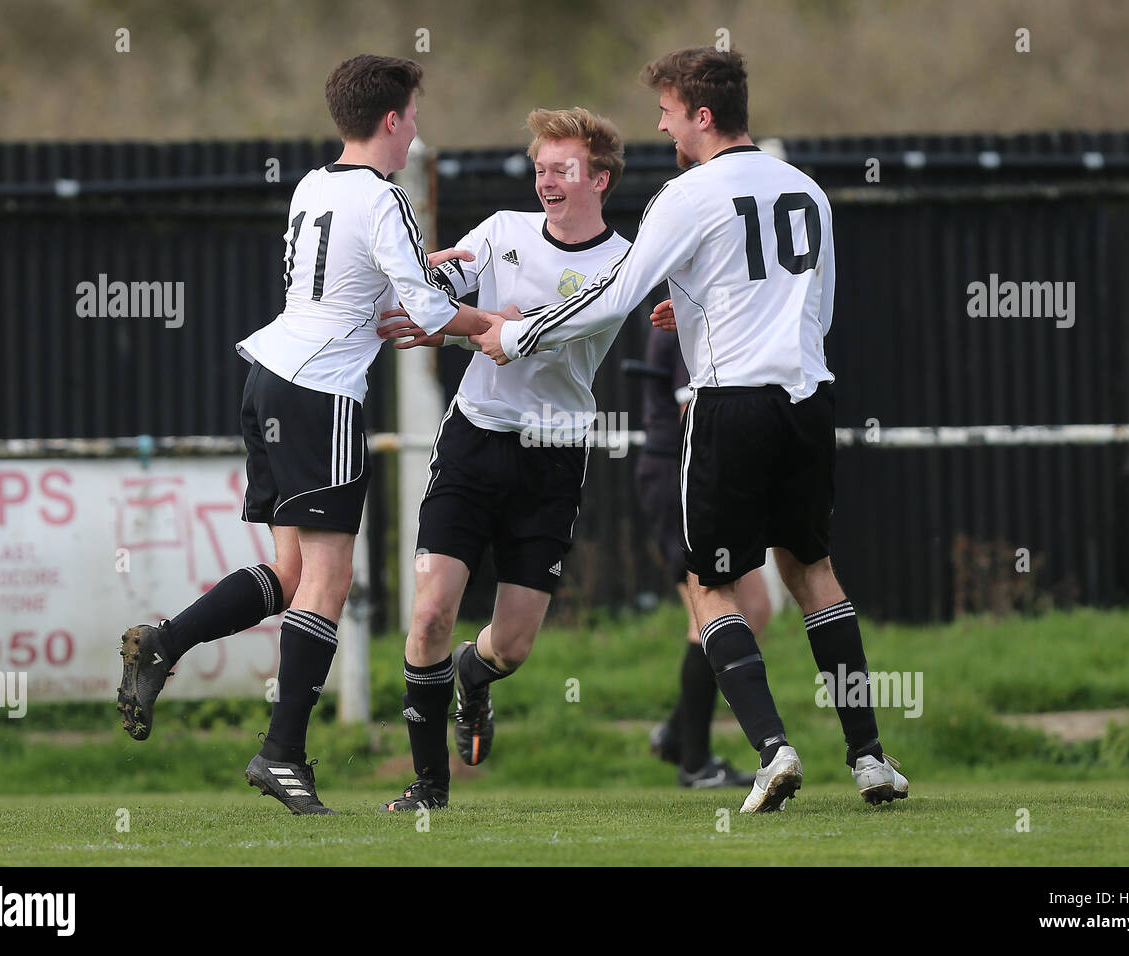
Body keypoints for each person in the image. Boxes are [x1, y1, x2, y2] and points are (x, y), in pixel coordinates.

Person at [474, 47, 909, 811]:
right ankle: (870, 756)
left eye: (669, 111)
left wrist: (514, 335)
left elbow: (613, 296)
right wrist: (708, 303)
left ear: (702, 117)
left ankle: (772, 751)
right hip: (807, 397)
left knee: (709, 587)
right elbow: (816, 307)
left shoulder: (685, 193)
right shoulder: (806, 188)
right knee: (813, 571)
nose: (662, 124)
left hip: (728, 405)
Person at [115, 54, 498, 815]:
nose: (417, 125)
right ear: (393, 120)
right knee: (327, 582)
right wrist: (488, 326)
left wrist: (426, 271)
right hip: (321, 390)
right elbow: (418, 311)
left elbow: (352, 278)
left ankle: (166, 643)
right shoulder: (386, 197)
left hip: (269, 375)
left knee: (292, 575)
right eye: (414, 114)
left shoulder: (313, 184)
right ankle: (282, 753)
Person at [373, 107, 633, 811]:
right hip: (474, 437)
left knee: (510, 647)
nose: (547, 181)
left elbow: (541, 335)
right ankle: (429, 787)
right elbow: (442, 299)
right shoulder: (499, 232)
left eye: (563, 169)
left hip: (553, 452)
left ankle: (474, 678)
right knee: (429, 613)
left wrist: (463, 329)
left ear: (599, 179)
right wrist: (425, 285)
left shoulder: (622, 265)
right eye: (541, 168)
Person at [632, 327, 768, 788]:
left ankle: (677, 733)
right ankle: (694, 763)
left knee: (755, 610)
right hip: (679, 473)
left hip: (711, 476)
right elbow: (696, 410)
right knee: (706, 615)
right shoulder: (685, 317)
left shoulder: (716, 309)